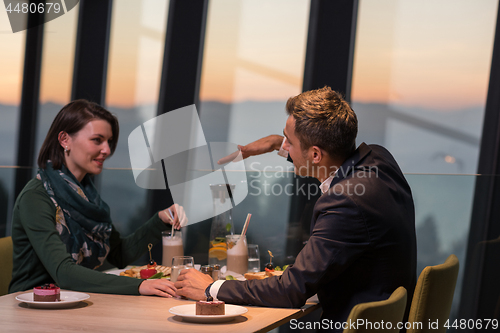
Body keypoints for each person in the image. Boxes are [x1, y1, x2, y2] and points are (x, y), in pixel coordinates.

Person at [174, 87, 417, 330]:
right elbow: (318, 155)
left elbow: (291, 290)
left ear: (315, 154)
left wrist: (210, 287)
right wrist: (276, 144)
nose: (285, 146)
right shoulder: (379, 160)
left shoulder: (344, 202)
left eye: (289, 141)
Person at [9, 99, 187, 297]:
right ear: (64, 140)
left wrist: (160, 220)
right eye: (97, 140)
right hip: (31, 306)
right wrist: (137, 286)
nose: (107, 150)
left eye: (109, 141)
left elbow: (120, 255)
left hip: (74, 300)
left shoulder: (86, 197)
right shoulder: (36, 197)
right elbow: (64, 273)